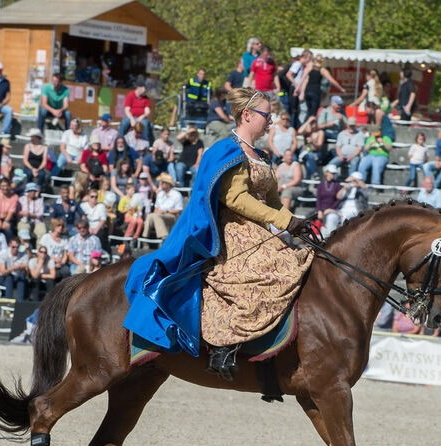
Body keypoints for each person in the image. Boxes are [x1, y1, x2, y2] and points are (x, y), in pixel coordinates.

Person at [124, 87, 316, 378]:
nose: (271, 122)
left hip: (259, 228)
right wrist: (280, 219)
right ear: (247, 115)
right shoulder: (228, 151)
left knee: (298, 260)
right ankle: (223, 345)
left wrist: (292, 222)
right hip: (232, 230)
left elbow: (272, 198)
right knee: (263, 272)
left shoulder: (262, 155)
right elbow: (236, 199)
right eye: (267, 116)